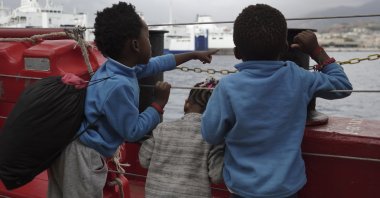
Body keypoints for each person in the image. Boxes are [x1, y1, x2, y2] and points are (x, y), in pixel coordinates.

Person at [47, 2, 218, 198]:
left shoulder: (117, 67)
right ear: (135, 45)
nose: (151, 44)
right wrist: (158, 104)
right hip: (83, 157)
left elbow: (156, 63)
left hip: (70, 146)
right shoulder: (119, 85)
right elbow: (132, 130)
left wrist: (192, 55)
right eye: (147, 37)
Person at [201, 4, 352, 198]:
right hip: (286, 189)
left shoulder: (227, 87)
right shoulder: (298, 77)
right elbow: (342, 86)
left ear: (237, 52)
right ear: (284, 48)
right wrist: (316, 51)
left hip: (243, 189)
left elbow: (211, 134)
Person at [139, 77, 224, 198]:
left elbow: (144, 160)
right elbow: (216, 176)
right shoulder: (214, 138)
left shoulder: (163, 129)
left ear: (186, 104)